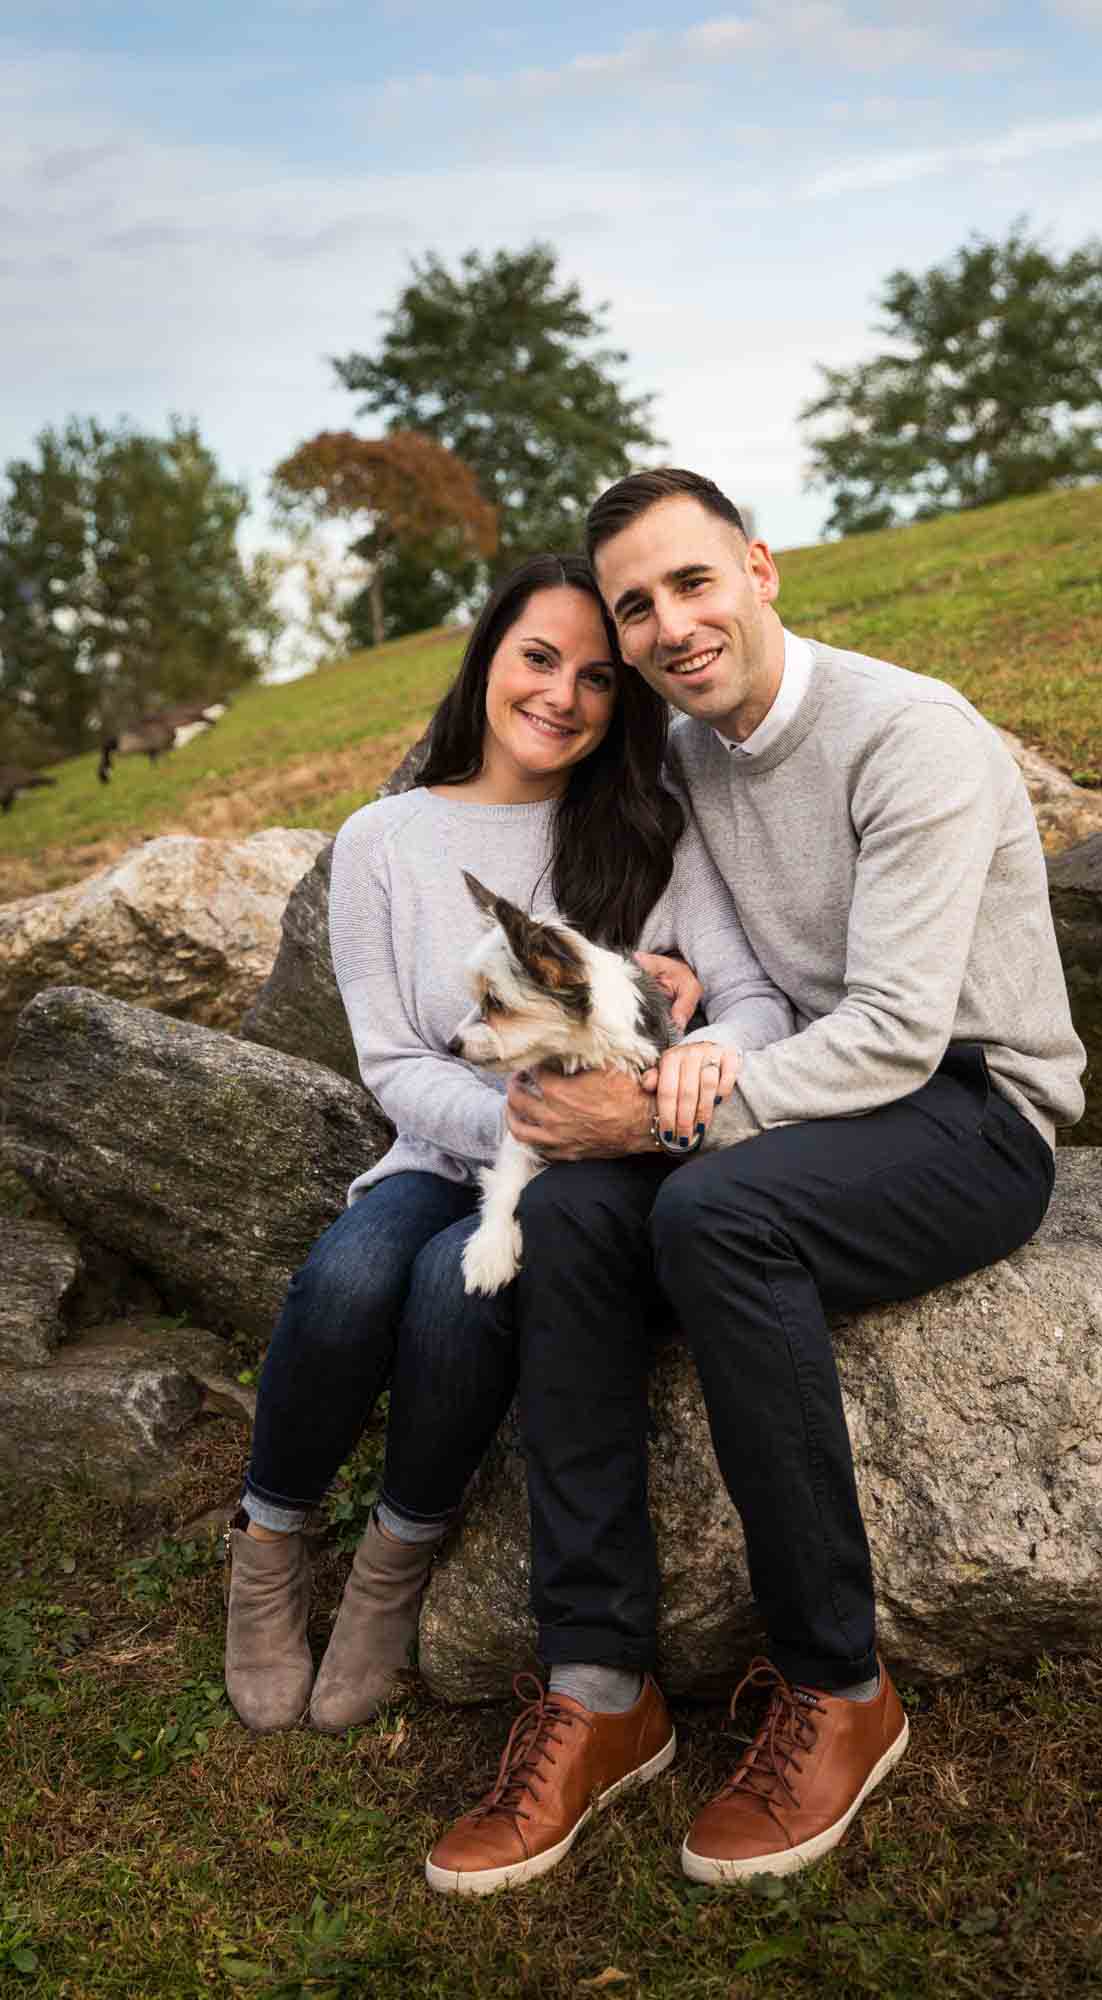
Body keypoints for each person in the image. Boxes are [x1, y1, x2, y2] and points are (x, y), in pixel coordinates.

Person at [425, 471, 1086, 1894]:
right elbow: (704, 961)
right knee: (576, 1212)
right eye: (636, 606)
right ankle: (603, 1688)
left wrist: (660, 1127)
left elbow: (904, 1030)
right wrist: (672, 1001)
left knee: (711, 1211)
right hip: (802, 1099)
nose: (669, 625)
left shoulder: (910, 736)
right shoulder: (681, 762)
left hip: (971, 1109)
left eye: (693, 582)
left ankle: (838, 1685)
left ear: (761, 570)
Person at [223, 551, 792, 1737]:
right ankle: (267, 1548)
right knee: (349, 1274)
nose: (561, 695)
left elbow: (754, 1001)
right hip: (446, 1149)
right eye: (538, 658)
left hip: (594, 1169)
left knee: (454, 1290)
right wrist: (530, 1121)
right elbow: (390, 1059)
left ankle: (391, 1562)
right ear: (488, 656)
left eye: (595, 675)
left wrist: (685, 1055)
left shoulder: (644, 829)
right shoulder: (382, 838)